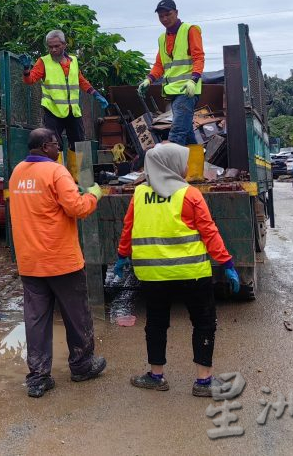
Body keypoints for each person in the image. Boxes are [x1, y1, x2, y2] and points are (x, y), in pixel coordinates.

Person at [113, 143, 240, 397]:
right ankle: (203, 382)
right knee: (203, 323)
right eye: (181, 161)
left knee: (156, 323)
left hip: (153, 275)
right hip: (192, 273)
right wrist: (226, 263)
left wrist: (122, 256)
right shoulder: (190, 194)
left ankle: (156, 375)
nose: (185, 167)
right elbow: (209, 232)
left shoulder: (138, 194)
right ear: (171, 164)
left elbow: (128, 229)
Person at [7, 127, 107, 398]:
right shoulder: (55, 171)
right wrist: (94, 194)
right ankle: (82, 365)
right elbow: (77, 208)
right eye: (56, 145)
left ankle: (38, 378)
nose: (58, 150)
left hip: (30, 261)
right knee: (77, 316)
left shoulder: (17, 173)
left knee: (36, 320)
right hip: (61, 260)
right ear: (44, 147)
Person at [21, 29, 109, 152]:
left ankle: (77, 171)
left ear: (64, 45)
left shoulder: (73, 61)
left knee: (78, 145)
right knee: (54, 145)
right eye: (50, 47)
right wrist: (26, 69)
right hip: (52, 110)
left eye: (57, 46)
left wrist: (96, 94)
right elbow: (30, 80)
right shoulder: (43, 62)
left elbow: (81, 81)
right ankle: (57, 171)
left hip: (73, 111)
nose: (53, 50)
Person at [138, 0, 205, 146]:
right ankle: (195, 165)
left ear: (176, 12)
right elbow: (159, 64)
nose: (164, 19)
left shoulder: (190, 30)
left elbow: (199, 57)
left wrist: (193, 80)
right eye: (161, 16)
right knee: (186, 133)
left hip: (187, 90)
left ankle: (170, 167)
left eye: (168, 14)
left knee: (177, 133)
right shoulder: (162, 38)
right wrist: (148, 79)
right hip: (172, 92)